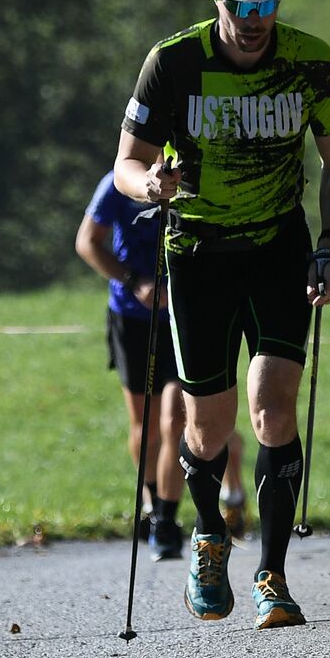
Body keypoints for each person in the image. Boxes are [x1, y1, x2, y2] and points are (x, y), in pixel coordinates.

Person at [113, 0, 330, 630]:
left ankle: (272, 576)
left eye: (267, 3)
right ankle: (209, 534)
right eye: (240, 2)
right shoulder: (173, 62)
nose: (254, 19)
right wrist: (150, 185)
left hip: (280, 248)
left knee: (274, 406)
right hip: (197, 253)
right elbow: (126, 163)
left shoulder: (313, 62)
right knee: (209, 426)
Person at [75, 173, 252, 560]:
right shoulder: (118, 183)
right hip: (132, 319)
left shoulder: (199, 178)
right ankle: (152, 499)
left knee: (176, 418)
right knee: (145, 426)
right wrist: (134, 281)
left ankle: (166, 522)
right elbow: (87, 243)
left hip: (186, 316)